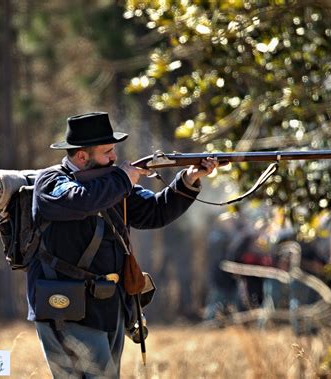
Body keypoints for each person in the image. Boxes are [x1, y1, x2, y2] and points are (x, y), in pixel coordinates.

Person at [27, 112, 218, 378]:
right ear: (82, 156)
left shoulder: (111, 183)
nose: (114, 158)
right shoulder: (50, 182)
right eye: (107, 152)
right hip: (67, 309)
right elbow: (80, 202)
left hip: (109, 306)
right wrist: (122, 179)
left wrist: (188, 180)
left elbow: (155, 212)